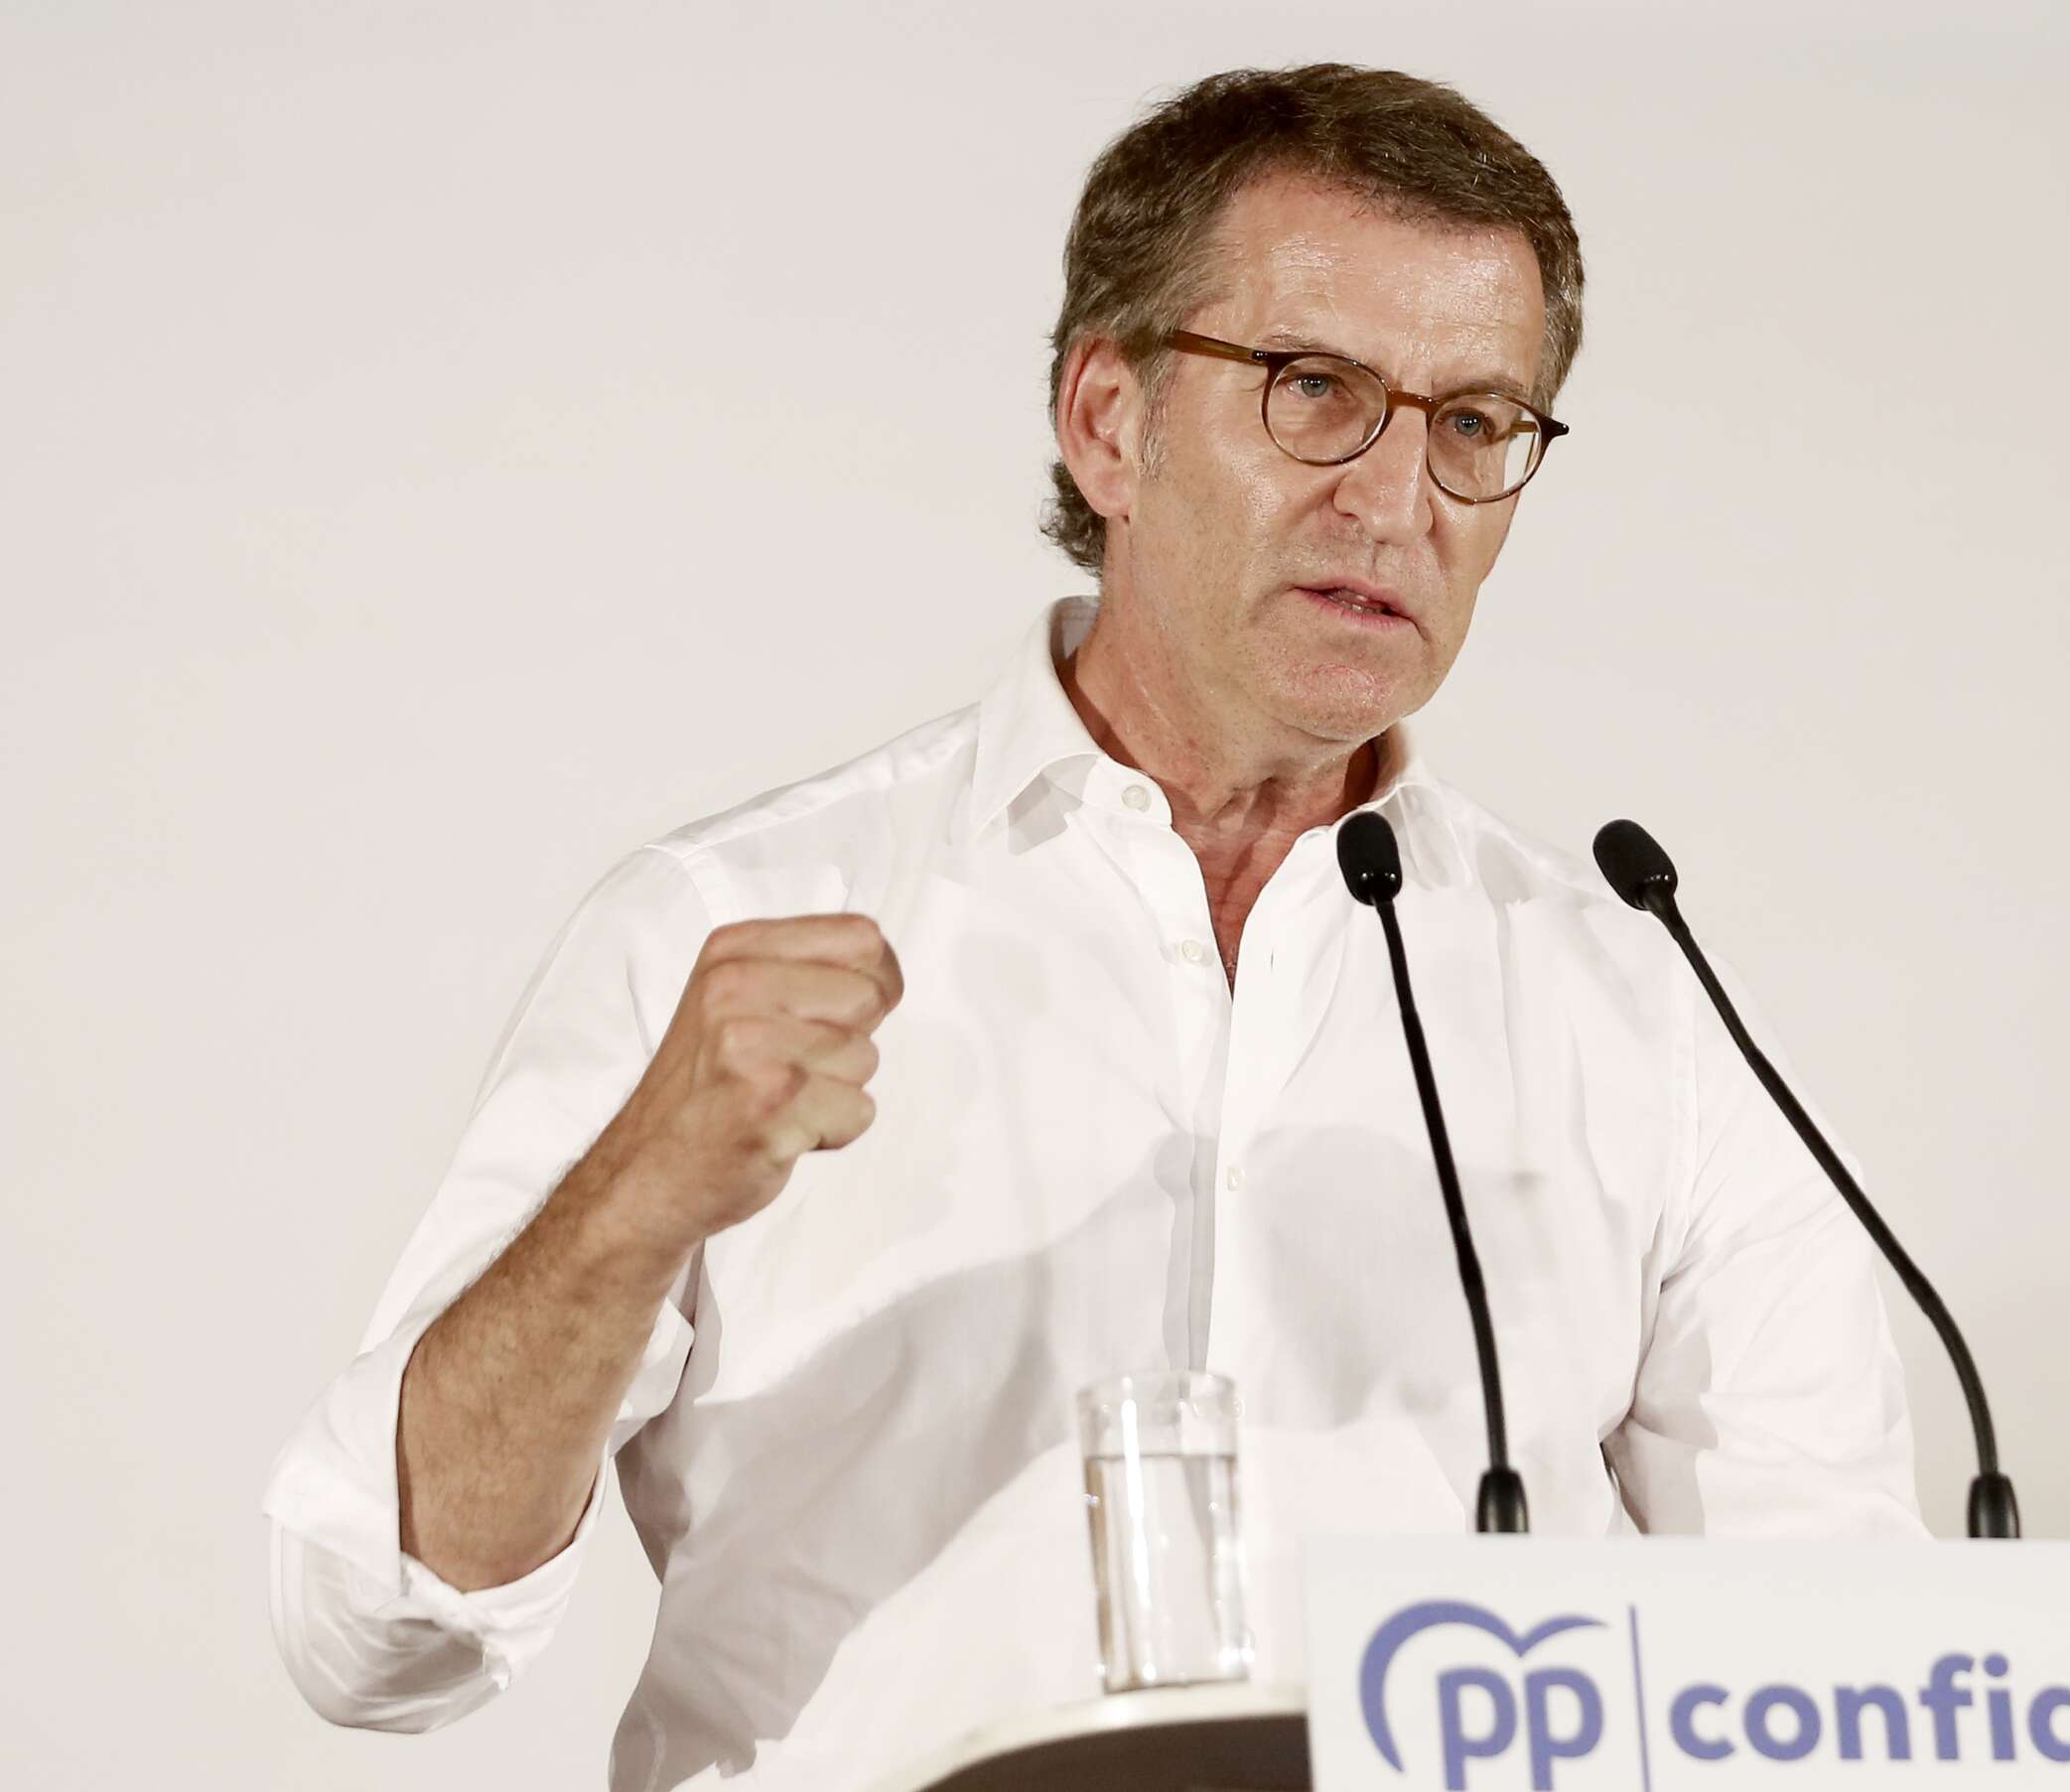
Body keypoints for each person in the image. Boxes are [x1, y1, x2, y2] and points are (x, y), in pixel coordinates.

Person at [263, 62, 1923, 1790]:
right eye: (1314, 389)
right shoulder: (732, 925)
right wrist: (634, 1201)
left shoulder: (1628, 1003)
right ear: (1106, 421)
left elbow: (1832, 1654)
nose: (1397, 497)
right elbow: (372, 1628)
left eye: (1474, 424)